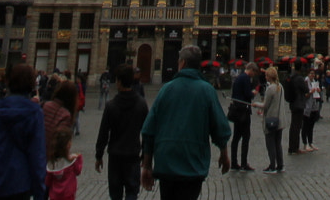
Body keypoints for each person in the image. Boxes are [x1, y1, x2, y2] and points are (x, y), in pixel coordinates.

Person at [138, 46, 229, 200]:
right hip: (192, 165)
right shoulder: (207, 91)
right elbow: (219, 127)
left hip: (166, 163)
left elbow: (149, 130)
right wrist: (224, 153)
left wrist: (147, 165)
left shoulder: (166, 90)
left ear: (183, 63)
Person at [0, 63, 46, 200]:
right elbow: (37, 156)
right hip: (19, 186)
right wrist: (40, 193)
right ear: (31, 84)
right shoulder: (34, 113)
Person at [94, 67, 148, 200]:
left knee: (115, 193)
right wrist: (146, 155)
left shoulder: (111, 105)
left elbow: (103, 133)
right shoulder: (141, 104)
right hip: (133, 154)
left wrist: (99, 155)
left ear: (118, 82)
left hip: (115, 156)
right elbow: (147, 131)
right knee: (132, 191)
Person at [256, 67, 285, 175]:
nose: (265, 77)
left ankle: (272, 166)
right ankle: (280, 165)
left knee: (270, 144)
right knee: (278, 143)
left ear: (270, 76)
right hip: (280, 119)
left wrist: (255, 105)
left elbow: (265, 105)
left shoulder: (271, 88)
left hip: (271, 120)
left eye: (266, 75)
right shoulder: (280, 86)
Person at [225, 67, 253, 171]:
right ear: (252, 70)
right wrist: (253, 93)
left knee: (236, 137)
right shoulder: (245, 78)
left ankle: (234, 162)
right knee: (245, 137)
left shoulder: (238, 78)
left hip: (236, 110)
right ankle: (244, 163)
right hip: (243, 112)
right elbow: (247, 94)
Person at [42, 126, 80, 200]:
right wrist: (78, 158)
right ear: (68, 145)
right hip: (68, 194)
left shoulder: (52, 163)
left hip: (55, 196)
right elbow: (78, 170)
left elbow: (48, 181)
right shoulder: (71, 162)